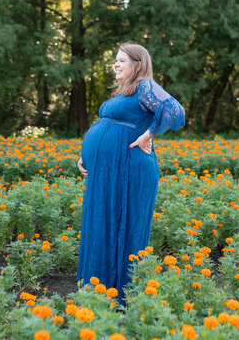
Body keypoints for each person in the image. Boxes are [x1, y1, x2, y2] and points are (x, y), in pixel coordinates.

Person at [76, 42, 185, 302]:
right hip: (107, 170)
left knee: (123, 224)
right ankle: (101, 290)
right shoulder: (124, 94)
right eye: (116, 59)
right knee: (104, 221)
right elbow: (109, 125)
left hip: (128, 169)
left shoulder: (144, 86)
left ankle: (122, 296)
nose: (116, 64)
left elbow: (175, 111)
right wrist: (87, 155)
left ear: (137, 64)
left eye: (121, 60)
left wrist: (148, 135)